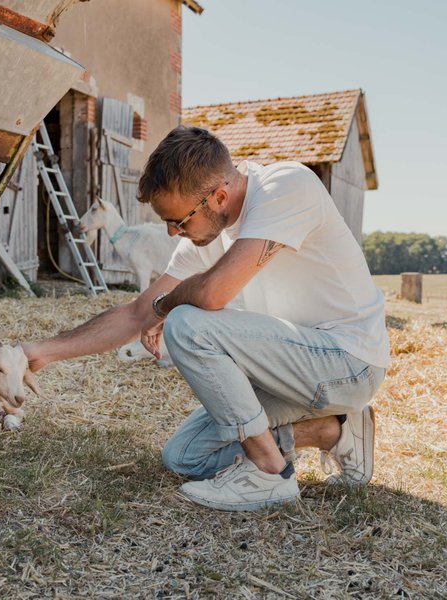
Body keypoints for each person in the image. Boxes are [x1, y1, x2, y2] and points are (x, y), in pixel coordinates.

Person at [23, 126, 389, 512]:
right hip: (290, 370)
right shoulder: (205, 234)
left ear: (218, 197)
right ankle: (334, 430)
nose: (171, 232)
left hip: (350, 363)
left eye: (179, 221)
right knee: (185, 457)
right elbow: (136, 313)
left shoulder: (286, 186)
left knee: (186, 322)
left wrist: (165, 308)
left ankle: (269, 473)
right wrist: (41, 352)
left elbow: (211, 294)